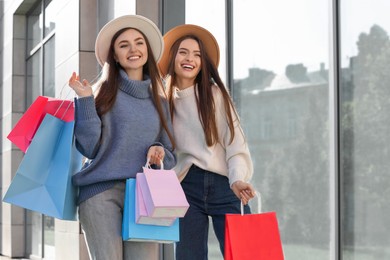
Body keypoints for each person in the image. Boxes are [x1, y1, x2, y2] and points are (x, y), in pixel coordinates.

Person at [68, 15, 176, 260]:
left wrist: (158, 151)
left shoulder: (160, 103)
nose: (133, 49)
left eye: (139, 42)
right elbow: (89, 148)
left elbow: (170, 155)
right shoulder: (101, 95)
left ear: (147, 50)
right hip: (100, 194)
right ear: (114, 56)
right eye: (124, 45)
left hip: (145, 197)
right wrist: (85, 100)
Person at [158, 24, 256, 259]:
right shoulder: (162, 100)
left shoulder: (215, 96)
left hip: (225, 185)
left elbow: (235, 143)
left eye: (197, 54)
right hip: (186, 188)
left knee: (247, 254)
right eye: (183, 52)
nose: (189, 58)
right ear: (172, 57)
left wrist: (238, 179)